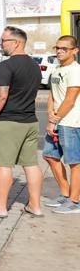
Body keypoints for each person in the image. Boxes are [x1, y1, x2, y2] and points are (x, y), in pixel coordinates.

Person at [0, 26, 43, 217]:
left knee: (4, 164)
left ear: (17, 43)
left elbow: (1, 95)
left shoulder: (7, 65)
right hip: (30, 121)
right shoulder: (34, 65)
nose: (0, 43)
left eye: (4, 40)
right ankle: (35, 206)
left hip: (8, 122)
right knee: (31, 164)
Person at [45, 35, 80, 214]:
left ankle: (75, 202)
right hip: (58, 120)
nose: (59, 51)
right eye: (57, 48)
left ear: (75, 51)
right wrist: (50, 114)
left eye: (64, 48)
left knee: (75, 162)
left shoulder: (75, 70)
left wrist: (54, 119)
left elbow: (70, 99)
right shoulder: (57, 69)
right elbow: (52, 94)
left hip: (71, 122)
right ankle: (65, 195)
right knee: (50, 156)